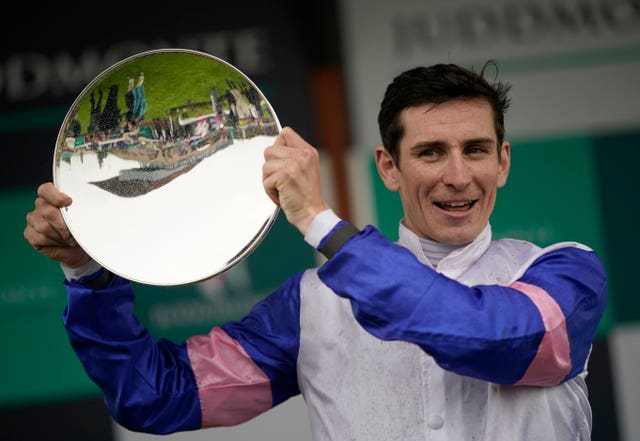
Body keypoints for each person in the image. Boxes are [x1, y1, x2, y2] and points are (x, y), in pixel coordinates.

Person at [24, 61, 607, 440]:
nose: (458, 176)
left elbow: (492, 338)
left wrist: (321, 224)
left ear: (503, 162)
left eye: (476, 150)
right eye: (431, 153)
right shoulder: (313, 305)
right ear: (389, 167)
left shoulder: (563, 273)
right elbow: (156, 396)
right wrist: (87, 269)